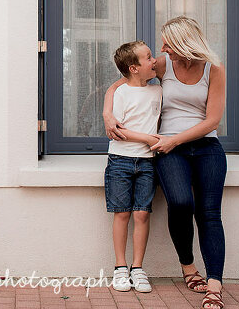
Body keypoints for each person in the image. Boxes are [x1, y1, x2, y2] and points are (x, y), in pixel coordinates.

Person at [103, 17, 226, 309]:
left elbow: (212, 120)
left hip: (205, 147)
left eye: (168, 44)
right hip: (168, 148)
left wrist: (175, 140)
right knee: (182, 203)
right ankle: (188, 266)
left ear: (184, 43)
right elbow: (123, 81)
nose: (162, 49)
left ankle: (215, 284)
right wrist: (108, 113)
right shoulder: (162, 63)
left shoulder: (214, 69)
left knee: (209, 213)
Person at [103, 41, 162, 293]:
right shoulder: (121, 93)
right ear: (134, 68)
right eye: (148, 58)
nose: (154, 61)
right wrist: (149, 139)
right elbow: (117, 131)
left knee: (142, 213)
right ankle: (120, 267)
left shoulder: (158, 90)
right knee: (122, 213)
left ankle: (138, 268)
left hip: (148, 163)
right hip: (121, 160)